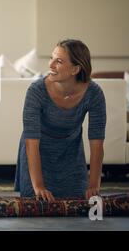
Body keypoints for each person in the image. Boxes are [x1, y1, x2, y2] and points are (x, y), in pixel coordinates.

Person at [15, 39, 106, 201]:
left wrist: (94, 186)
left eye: (59, 61)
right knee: (37, 202)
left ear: (75, 69)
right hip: (37, 154)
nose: (50, 65)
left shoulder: (94, 94)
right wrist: (39, 186)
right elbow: (31, 142)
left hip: (71, 155)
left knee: (79, 201)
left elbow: (97, 143)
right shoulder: (36, 91)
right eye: (51, 58)